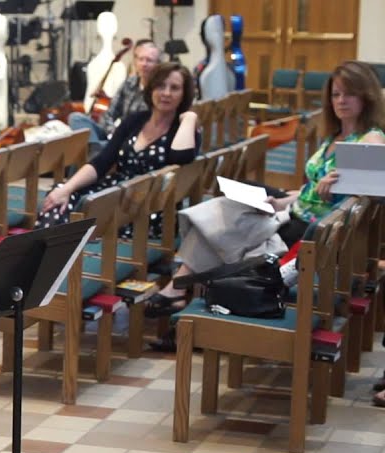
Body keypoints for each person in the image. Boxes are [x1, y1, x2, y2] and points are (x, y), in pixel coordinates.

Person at [146, 61, 385, 321]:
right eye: (336, 94)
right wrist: (285, 201)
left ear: (366, 95)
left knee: (224, 223)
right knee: (231, 210)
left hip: (311, 231)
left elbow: (373, 196)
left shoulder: (370, 139)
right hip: (296, 211)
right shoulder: (336, 134)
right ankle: (183, 295)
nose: (341, 100)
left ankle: (179, 292)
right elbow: (313, 187)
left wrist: (340, 184)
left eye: (349, 93)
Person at [38, 62, 201, 233]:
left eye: (174, 88)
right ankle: (47, 252)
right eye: (161, 86)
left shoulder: (184, 129)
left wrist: (189, 117)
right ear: (151, 89)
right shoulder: (135, 120)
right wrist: (67, 188)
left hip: (148, 207)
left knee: (80, 211)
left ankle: (56, 249)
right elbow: (102, 161)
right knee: (60, 194)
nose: (166, 93)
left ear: (184, 94)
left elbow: (181, 158)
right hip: (115, 193)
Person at [68, 39, 161, 152]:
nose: (144, 64)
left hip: (133, 141)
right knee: (76, 118)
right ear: (135, 61)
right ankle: (95, 149)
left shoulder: (159, 91)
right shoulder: (129, 83)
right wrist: (112, 131)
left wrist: (119, 136)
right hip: (114, 135)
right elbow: (108, 114)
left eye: (149, 60)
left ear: (157, 64)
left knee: (80, 151)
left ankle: (95, 151)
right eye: (141, 59)